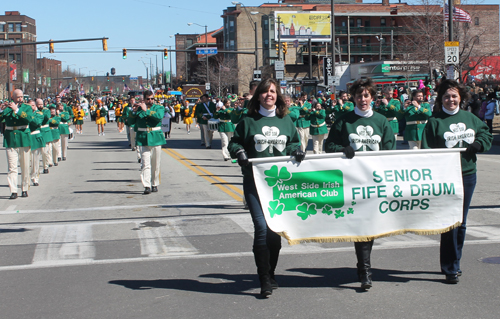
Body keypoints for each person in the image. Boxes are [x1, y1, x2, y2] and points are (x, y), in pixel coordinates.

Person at [228, 78, 305, 297]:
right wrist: (239, 152)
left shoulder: (286, 120)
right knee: (261, 227)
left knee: (274, 231)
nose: (268, 95)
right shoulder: (247, 120)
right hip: (255, 182)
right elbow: (235, 142)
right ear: (258, 95)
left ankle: (271, 273)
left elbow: (293, 143)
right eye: (264, 92)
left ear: (277, 95)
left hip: (280, 184)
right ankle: (263, 278)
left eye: (272, 91)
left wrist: (297, 151)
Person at [325, 78, 396, 290]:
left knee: (371, 224)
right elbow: (330, 145)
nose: (362, 99)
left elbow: (391, 150)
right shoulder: (344, 120)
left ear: (372, 97)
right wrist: (342, 148)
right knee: (362, 223)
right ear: (353, 98)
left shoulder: (382, 121)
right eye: (359, 95)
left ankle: (364, 266)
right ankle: (364, 270)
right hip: (353, 180)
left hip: (376, 181)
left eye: (366, 95)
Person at [422, 79, 492, 284]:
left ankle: (455, 262)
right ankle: (450, 267)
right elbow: (427, 153)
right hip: (445, 178)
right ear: (440, 99)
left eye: (454, 96)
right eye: (446, 96)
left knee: (461, 223)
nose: (450, 99)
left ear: (460, 98)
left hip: (468, 175)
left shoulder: (470, 118)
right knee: (449, 222)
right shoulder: (434, 122)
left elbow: (485, 133)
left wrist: (478, 144)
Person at [128, 90, 166, 194]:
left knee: (155, 164)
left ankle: (154, 183)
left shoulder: (159, 107)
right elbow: (130, 122)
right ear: (144, 99)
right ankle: (147, 185)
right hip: (143, 138)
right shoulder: (139, 109)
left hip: (156, 138)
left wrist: (147, 111)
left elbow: (158, 116)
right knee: (145, 164)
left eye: (152, 98)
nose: (150, 101)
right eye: (148, 99)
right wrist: (134, 112)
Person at [1, 89, 33, 199]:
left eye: (21, 96)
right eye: (17, 97)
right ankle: (13, 191)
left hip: (23, 137)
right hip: (10, 138)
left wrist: (17, 110)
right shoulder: (7, 109)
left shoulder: (27, 107)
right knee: (12, 167)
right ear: (13, 97)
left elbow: (29, 119)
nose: (20, 99)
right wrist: (3, 109)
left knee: (24, 166)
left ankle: (24, 189)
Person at [28, 100, 45, 186]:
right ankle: (26, 178)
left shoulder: (39, 114)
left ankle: (35, 178)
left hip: (35, 137)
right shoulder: (24, 113)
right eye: (30, 105)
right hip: (26, 137)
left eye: (33, 105)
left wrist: (29, 115)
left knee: (35, 160)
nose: (32, 107)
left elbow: (37, 123)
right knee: (27, 161)